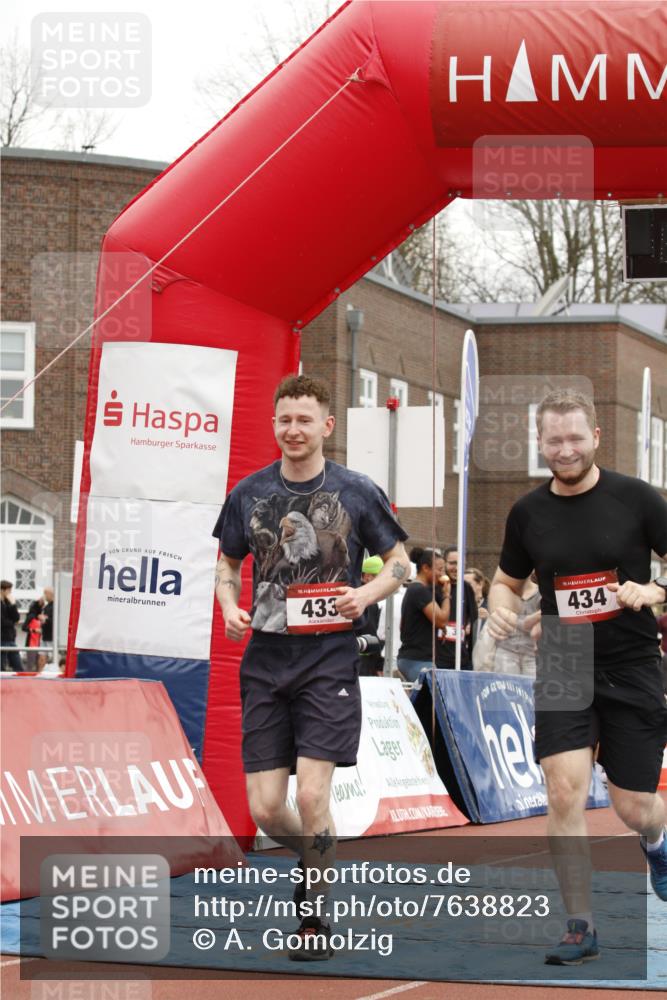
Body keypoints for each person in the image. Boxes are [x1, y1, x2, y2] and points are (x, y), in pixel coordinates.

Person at [213, 373, 410, 960]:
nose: (292, 430)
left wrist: (366, 596)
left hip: (328, 658)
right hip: (267, 658)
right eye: (284, 420)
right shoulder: (249, 494)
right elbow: (226, 562)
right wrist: (228, 603)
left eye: (304, 420)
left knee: (316, 791)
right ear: (273, 425)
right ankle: (317, 855)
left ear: (326, 426)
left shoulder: (356, 491)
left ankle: (314, 912)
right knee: (268, 807)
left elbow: (400, 565)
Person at [486, 388, 667, 966]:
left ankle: (658, 840)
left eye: (575, 438)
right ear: (540, 444)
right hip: (564, 653)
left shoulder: (638, 499)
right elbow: (506, 580)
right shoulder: (527, 512)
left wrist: (654, 590)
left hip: (633, 661)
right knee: (563, 789)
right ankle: (579, 925)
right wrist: (498, 604)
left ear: (596, 438)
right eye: (554, 440)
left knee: (634, 805)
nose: (565, 449)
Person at [397, 547, 451, 683]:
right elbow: (441, 621)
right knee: (433, 702)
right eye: (439, 569)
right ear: (426, 568)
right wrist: (446, 595)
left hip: (413, 659)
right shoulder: (419, 590)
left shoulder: (416, 589)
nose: (442, 574)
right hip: (418, 660)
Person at [436, 546, 478, 669]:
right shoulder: (436, 587)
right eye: (452, 563)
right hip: (439, 659)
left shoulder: (467, 588)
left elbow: (473, 619)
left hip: (462, 659)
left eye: (460, 564)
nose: (456, 568)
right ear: (444, 564)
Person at [493, 573, 541, 678]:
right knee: (506, 688)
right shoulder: (504, 592)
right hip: (506, 650)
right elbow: (505, 620)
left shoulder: (541, 593)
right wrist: (536, 616)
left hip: (532, 654)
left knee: (531, 690)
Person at [354, 555, 385, 676]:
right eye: (381, 578)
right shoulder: (367, 600)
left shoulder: (354, 593)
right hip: (364, 662)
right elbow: (372, 636)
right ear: (368, 577)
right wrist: (378, 665)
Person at [1, 581, 22, 672]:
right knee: (1, 667)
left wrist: (13, 604)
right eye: (8, 590)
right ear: (2, 590)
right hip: (2, 639)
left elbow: (16, 617)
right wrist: (13, 622)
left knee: (18, 666)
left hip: (10, 638)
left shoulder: (8, 602)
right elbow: (2, 622)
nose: (10, 593)